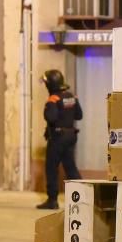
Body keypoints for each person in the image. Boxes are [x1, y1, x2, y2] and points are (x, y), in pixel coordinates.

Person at [37, 69, 83, 209]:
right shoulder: (72, 96)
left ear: (51, 84)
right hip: (70, 136)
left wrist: (49, 108)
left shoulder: (53, 99)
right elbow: (79, 115)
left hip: (57, 138)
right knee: (70, 167)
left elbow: (51, 118)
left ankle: (52, 200)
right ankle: (81, 198)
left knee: (51, 168)